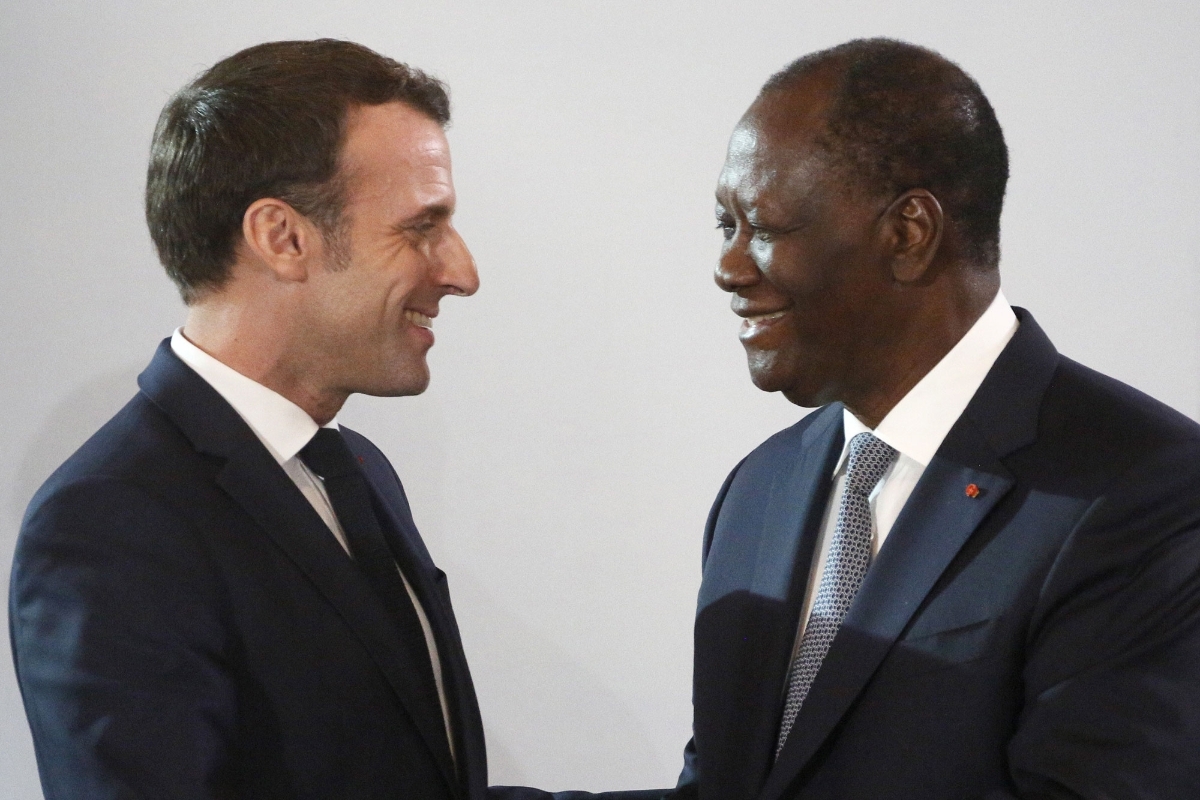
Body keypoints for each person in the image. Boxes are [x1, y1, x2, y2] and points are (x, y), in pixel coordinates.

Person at [671, 38, 1200, 799]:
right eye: (725, 225)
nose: (730, 266)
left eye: (766, 226)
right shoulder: (758, 493)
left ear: (909, 234)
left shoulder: (1145, 493)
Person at [11, 38, 481, 799]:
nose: (462, 272)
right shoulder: (109, 522)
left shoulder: (356, 470)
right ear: (283, 238)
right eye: (419, 228)